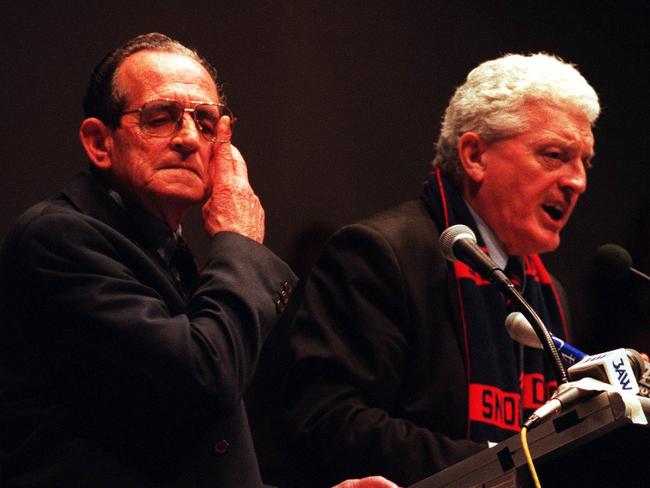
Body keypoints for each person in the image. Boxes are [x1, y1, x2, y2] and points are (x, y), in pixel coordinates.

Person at [0, 33, 397, 488]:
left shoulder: (170, 252)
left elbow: (189, 461)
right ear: (99, 142)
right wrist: (238, 239)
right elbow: (204, 378)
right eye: (161, 118)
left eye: (206, 124)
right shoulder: (58, 237)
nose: (189, 139)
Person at [284, 53, 599, 487]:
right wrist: (506, 463)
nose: (577, 180)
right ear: (474, 156)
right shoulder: (381, 253)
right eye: (554, 155)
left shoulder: (548, 294)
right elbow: (329, 421)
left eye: (585, 161)